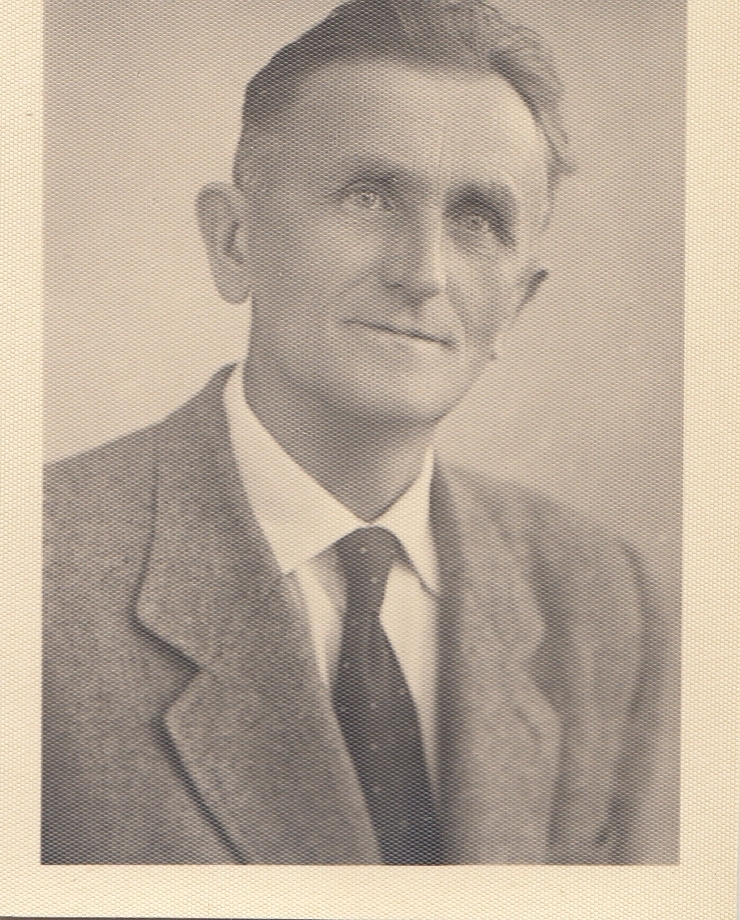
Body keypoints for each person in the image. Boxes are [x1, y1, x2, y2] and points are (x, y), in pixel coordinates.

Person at [42, 0, 678, 865]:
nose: (423, 273)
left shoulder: (600, 595)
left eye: (477, 220)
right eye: (369, 196)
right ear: (235, 241)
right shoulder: (36, 569)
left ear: (517, 304)